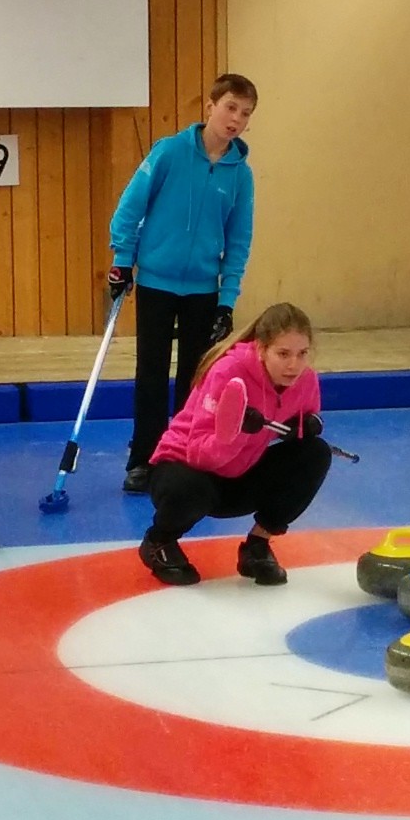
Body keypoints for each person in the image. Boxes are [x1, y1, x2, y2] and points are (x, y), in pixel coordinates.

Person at [107, 75, 259, 494]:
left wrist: (227, 301)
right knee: (151, 374)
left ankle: (184, 454)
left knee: (196, 378)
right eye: (230, 108)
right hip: (156, 282)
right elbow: (130, 207)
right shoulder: (169, 152)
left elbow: (239, 241)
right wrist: (122, 261)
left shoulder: (241, 176)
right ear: (210, 107)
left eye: (245, 113)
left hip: (203, 291)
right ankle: (144, 459)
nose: (236, 119)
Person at [138, 303, 328, 588]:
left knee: (315, 453)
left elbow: (307, 415)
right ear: (261, 349)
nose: (294, 365)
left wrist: (307, 426)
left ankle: (257, 546)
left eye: (302, 354)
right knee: (190, 488)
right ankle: (158, 541)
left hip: (239, 472)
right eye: (283, 354)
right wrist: (233, 435)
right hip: (187, 470)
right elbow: (198, 453)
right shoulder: (229, 372)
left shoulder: (305, 379)